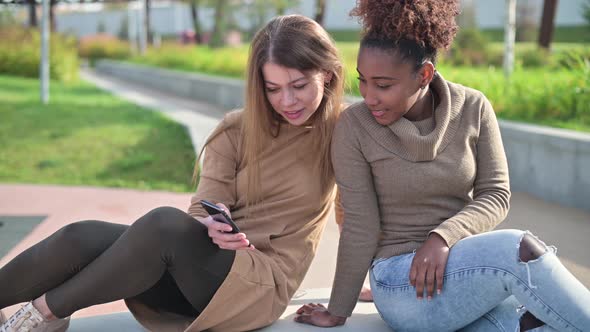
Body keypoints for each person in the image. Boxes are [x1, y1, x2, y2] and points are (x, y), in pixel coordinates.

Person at [0, 14, 344, 332]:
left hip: (259, 285)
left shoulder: (343, 132)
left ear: (327, 74)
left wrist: (374, 289)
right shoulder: (237, 129)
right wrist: (212, 221)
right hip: (200, 271)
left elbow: (363, 218)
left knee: (162, 225)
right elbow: (203, 206)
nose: (287, 101)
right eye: (273, 89)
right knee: (80, 237)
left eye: (299, 85)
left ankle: (40, 314)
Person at [294, 1, 590, 331]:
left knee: (538, 324)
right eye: (364, 80)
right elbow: (360, 223)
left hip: (462, 273)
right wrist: (338, 309)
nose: (369, 96)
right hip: (399, 283)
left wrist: (442, 238)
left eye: (384, 85)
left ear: (424, 75)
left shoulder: (473, 107)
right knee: (518, 249)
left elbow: (495, 195)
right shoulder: (355, 125)